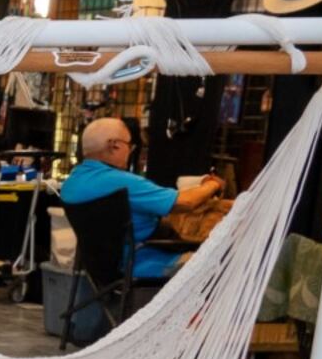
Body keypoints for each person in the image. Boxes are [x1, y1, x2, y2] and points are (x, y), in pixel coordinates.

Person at [57, 116, 220, 281]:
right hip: (147, 263)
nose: (131, 151)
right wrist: (212, 184)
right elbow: (185, 202)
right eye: (129, 145)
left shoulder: (71, 185)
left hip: (103, 273)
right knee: (221, 265)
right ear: (114, 145)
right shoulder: (123, 182)